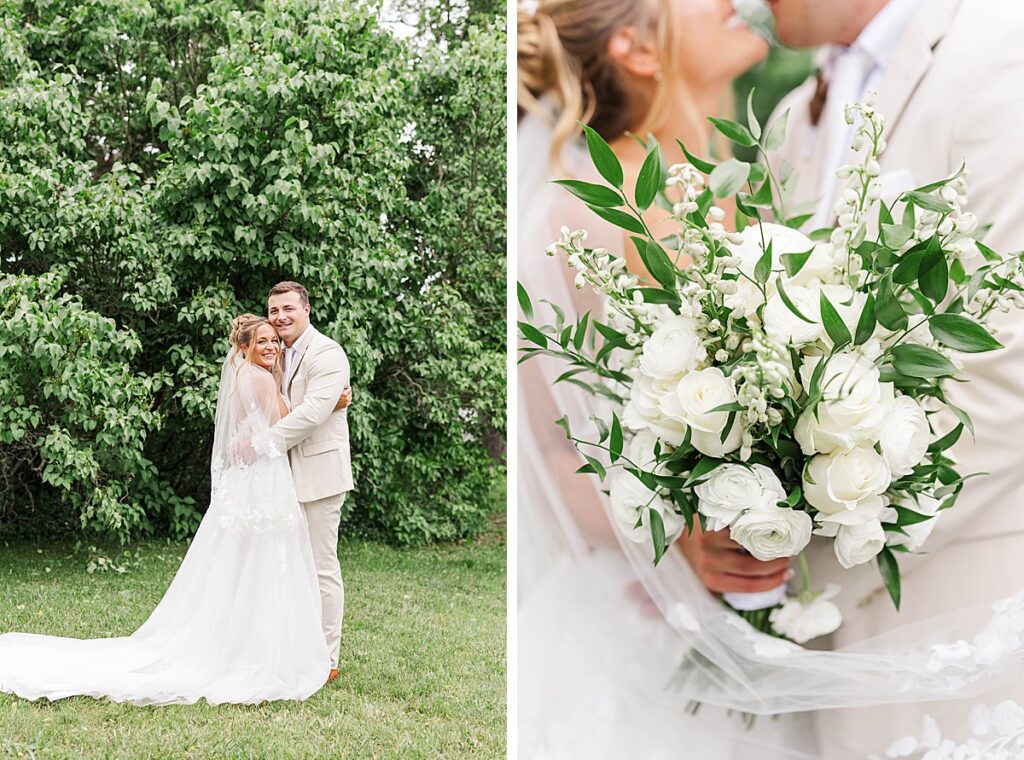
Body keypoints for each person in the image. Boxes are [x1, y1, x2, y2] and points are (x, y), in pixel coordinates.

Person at [518, 3, 828, 757]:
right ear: (637, 47)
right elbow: (553, 459)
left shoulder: (778, 173)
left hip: (793, 608)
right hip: (646, 629)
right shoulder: (583, 217)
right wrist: (680, 537)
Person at [757, 0, 1024, 753]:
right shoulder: (791, 111)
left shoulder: (1001, 49)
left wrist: (803, 523)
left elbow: (1008, 365)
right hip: (818, 638)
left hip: (959, 613)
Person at [0, 315, 337, 704]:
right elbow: (285, 424)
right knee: (262, 562)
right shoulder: (261, 378)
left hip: (252, 483)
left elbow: (249, 435)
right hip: (262, 485)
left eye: (275, 341)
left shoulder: (242, 376)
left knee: (244, 563)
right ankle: (258, 651)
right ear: (244, 346)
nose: (271, 347)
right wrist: (326, 402)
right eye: (263, 340)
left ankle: (244, 642)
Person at [267, 280, 353, 684]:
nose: (280, 317)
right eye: (274, 311)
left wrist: (261, 443)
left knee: (320, 568)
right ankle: (289, 648)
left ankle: (326, 658)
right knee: (284, 567)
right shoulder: (271, 351)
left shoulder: (328, 353)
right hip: (279, 475)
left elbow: (312, 414)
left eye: (288, 309)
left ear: (306, 310)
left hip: (318, 474)